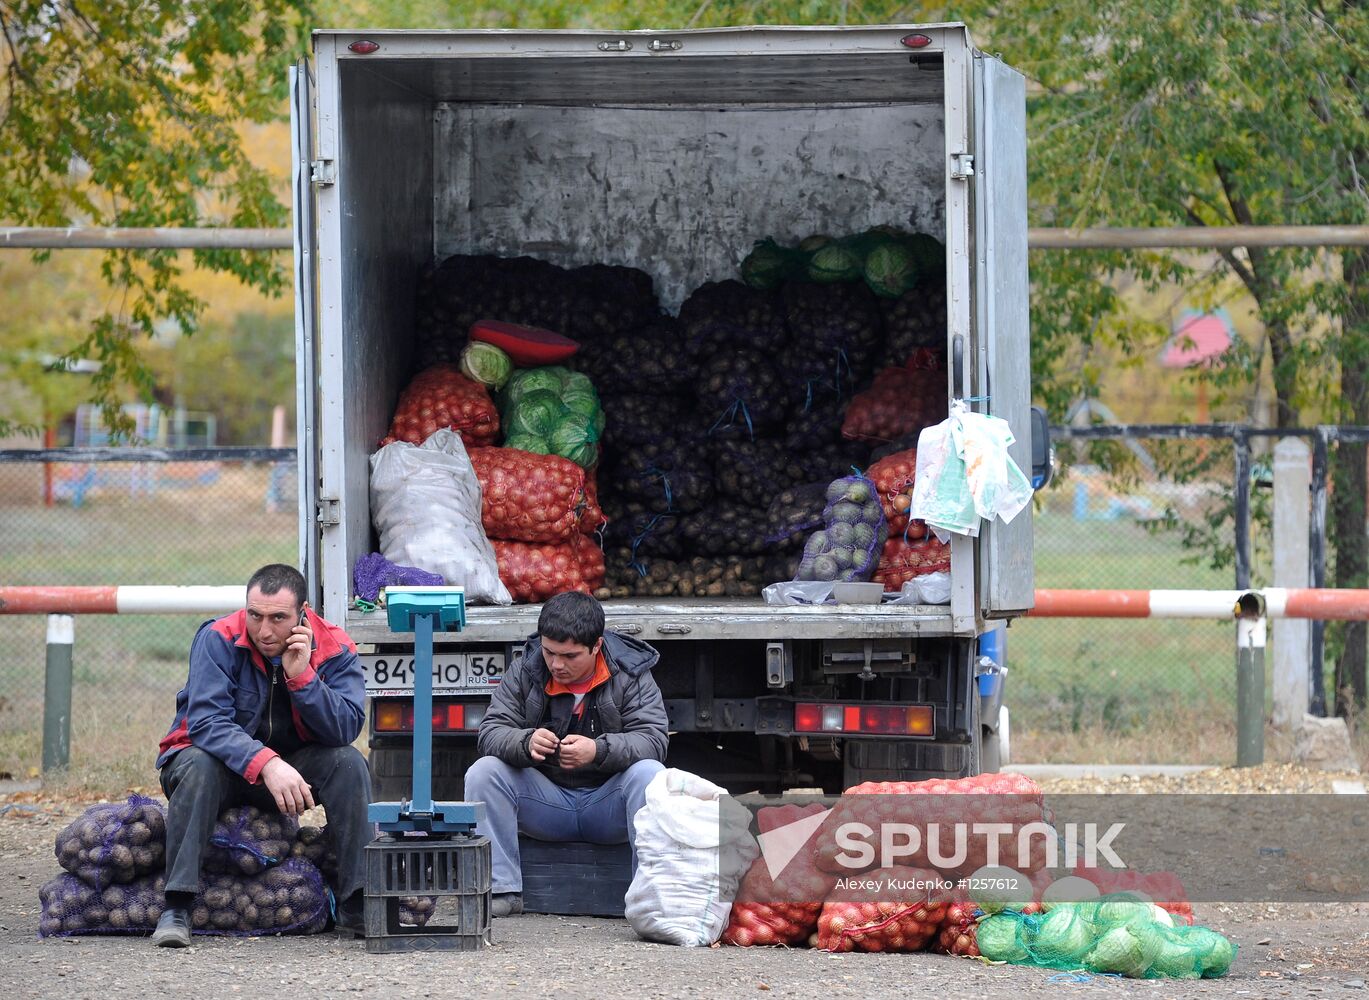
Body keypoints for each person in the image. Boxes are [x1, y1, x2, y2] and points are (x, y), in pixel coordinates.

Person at [152, 563, 372, 947]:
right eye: (255, 615)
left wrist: (303, 679)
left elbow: (345, 729)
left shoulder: (335, 646)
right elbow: (205, 722)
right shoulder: (218, 637)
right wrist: (267, 763)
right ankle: (177, 906)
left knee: (349, 763)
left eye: (278, 618)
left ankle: (357, 902)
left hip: (289, 772)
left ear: (303, 612)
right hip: (212, 767)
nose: (264, 630)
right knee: (199, 764)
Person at [466, 590, 668, 917]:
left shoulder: (631, 674)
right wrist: (525, 742)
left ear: (597, 646)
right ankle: (503, 890)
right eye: (549, 652)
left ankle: (646, 897)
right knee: (484, 771)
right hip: (548, 804)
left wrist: (598, 750)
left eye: (570, 656)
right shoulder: (525, 670)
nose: (557, 664)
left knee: (650, 775)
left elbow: (654, 740)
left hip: (607, 804)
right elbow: (491, 731)